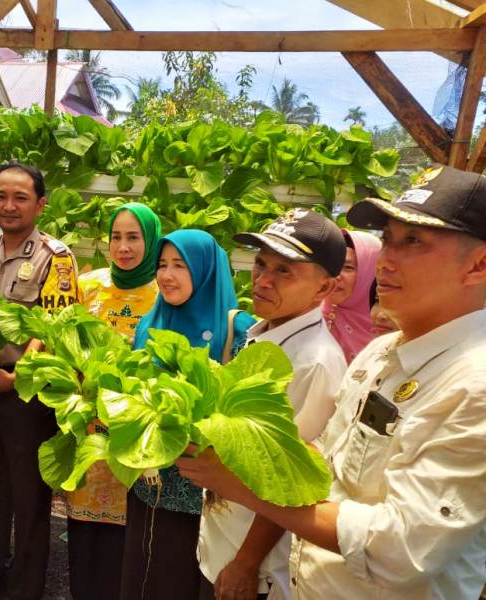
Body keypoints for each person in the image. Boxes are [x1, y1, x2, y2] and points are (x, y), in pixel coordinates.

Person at [177, 165, 486, 600]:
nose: (386, 259)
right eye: (388, 239)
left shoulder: (473, 384)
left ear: (479, 265)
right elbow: (326, 459)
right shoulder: (380, 355)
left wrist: (243, 484)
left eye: (413, 241)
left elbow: (402, 550)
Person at [194, 208, 348, 600]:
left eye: (285, 271)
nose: (262, 280)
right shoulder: (264, 333)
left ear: (324, 289)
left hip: (257, 566)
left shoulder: (312, 360)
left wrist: (246, 564)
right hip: (225, 540)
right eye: (261, 264)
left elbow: (291, 481)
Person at [0, 161, 79, 600]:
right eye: (0, 196)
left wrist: (13, 379)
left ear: (40, 204)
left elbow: (54, 327)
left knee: (29, 501)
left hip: (26, 397)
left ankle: (25, 590)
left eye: (20, 197)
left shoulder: (57, 256)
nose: (8, 206)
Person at [119, 229, 255, 600]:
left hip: (208, 493)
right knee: (146, 578)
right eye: (162, 264)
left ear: (206, 269)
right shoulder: (150, 323)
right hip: (149, 484)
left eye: (180, 265)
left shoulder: (240, 332)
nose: (166, 275)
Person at [67, 202, 161, 600]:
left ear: (151, 241)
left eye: (134, 237)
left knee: (126, 541)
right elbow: (64, 341)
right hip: (88, 427)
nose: (123, 247)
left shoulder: (163, 291)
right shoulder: (89, 286)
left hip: (133, 430)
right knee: (83, 532)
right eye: (116, 237)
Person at [322, 229, 381, 364]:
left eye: (348, 268)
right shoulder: (310, 314)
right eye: (333, 266)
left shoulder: (390, 326)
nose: (336, 276)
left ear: (370, 274)